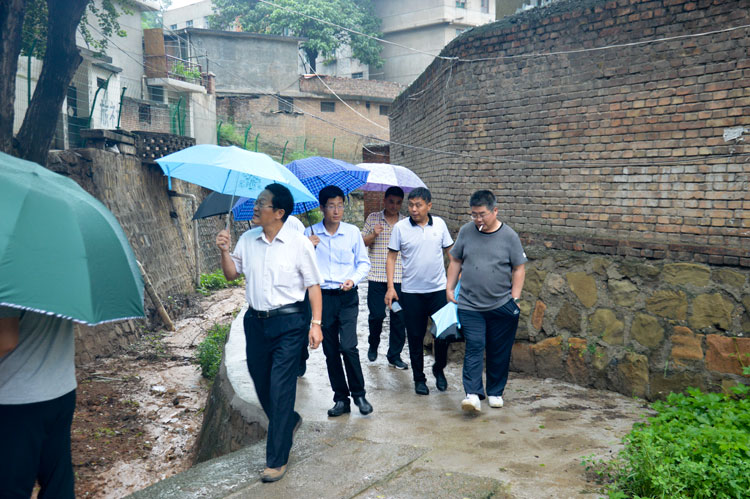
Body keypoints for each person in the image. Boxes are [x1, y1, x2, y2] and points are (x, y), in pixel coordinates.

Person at [216, 183, 323, 483]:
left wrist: (316, 324)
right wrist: (224, 252)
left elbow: (313, 286)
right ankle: (289, 420)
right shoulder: (248, 239)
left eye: (261, 203)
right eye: (257, 201)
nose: (255, 206)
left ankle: (276, 458)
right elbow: (231, 274)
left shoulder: (299, 243)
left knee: (280, 387)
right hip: (256, 323)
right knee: (261, 382)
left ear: (279, 212)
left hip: (290, 323)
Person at [446, 190, 526, 413]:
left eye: (482, 214)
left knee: (499, 350)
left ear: (495, 211)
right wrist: (449, 287)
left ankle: (495, 392)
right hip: (470, 304)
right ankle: (472, 394)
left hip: (501, 304)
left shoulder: (509, 236)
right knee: (474, 345)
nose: (478, 219)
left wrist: (515, 298)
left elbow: (519, 268)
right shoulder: (466, 231)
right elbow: (455, 260)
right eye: (474, 215)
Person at [305, 186, 373, 417]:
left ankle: (359, 394)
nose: (336, 211)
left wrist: (353, 279)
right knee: (331, 350)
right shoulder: (309, 234)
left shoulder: (352, 233)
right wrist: (308, 248)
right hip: (322, 298)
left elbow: (363, 263)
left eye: (340, 205)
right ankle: (341, 399)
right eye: (331, 206)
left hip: (347, 297)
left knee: (348, 346)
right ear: (322, 208)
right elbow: (299, 267)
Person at [0, 308, 77, 498]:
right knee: (58, 481)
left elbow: (6, 340)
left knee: (11, 486)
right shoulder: (61, 287)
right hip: (62, 387)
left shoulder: (7, 289)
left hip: (19, 399)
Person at [385, 187, 454, 396]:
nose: (414, 209)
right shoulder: (400, 228)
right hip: (411, 293)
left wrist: (454, 283)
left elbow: (451, 254)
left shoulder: (440, 224)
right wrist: (391, 287)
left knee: (443, 335)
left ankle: (439, 369)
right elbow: (391, 258)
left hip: (438, 291)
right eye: (411, 205)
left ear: (429, 206)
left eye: (418, 205)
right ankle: (419, 378)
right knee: (415, 337)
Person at [361, 186, 408, 369]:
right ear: (384, 200)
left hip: (400, 279)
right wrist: (374, 234)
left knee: (399, 318)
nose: (394, 206)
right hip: (377, 277)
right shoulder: (373, 218)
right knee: (377, 315)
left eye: (398, 203)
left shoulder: (406, 222)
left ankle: (394, 355)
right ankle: (373, 344)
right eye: (391, 201)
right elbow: (361, 243)